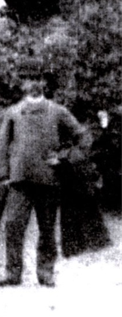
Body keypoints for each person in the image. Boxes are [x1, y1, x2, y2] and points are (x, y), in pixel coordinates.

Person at [0, 61, 92, 288]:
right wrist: (2, 174)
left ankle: (46, 273)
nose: (32, 83)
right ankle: (12, 273)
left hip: (49, 180)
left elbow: (83, 138)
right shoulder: (14, 112)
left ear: (43, 82)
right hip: (19, 181)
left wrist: (65, 157)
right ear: (22, 83)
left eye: (37, 78)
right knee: (13, 227)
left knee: (47, 230)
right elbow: (2, 145)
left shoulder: (57, 111)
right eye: (27, 78)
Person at [57, 110, 112, 257]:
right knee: (71, 207)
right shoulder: (72, 129)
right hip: (71, 169)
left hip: (79, 171)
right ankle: (75, 246)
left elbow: (97, 147)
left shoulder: (87, 132)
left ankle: (89, 242)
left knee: (86, 205)